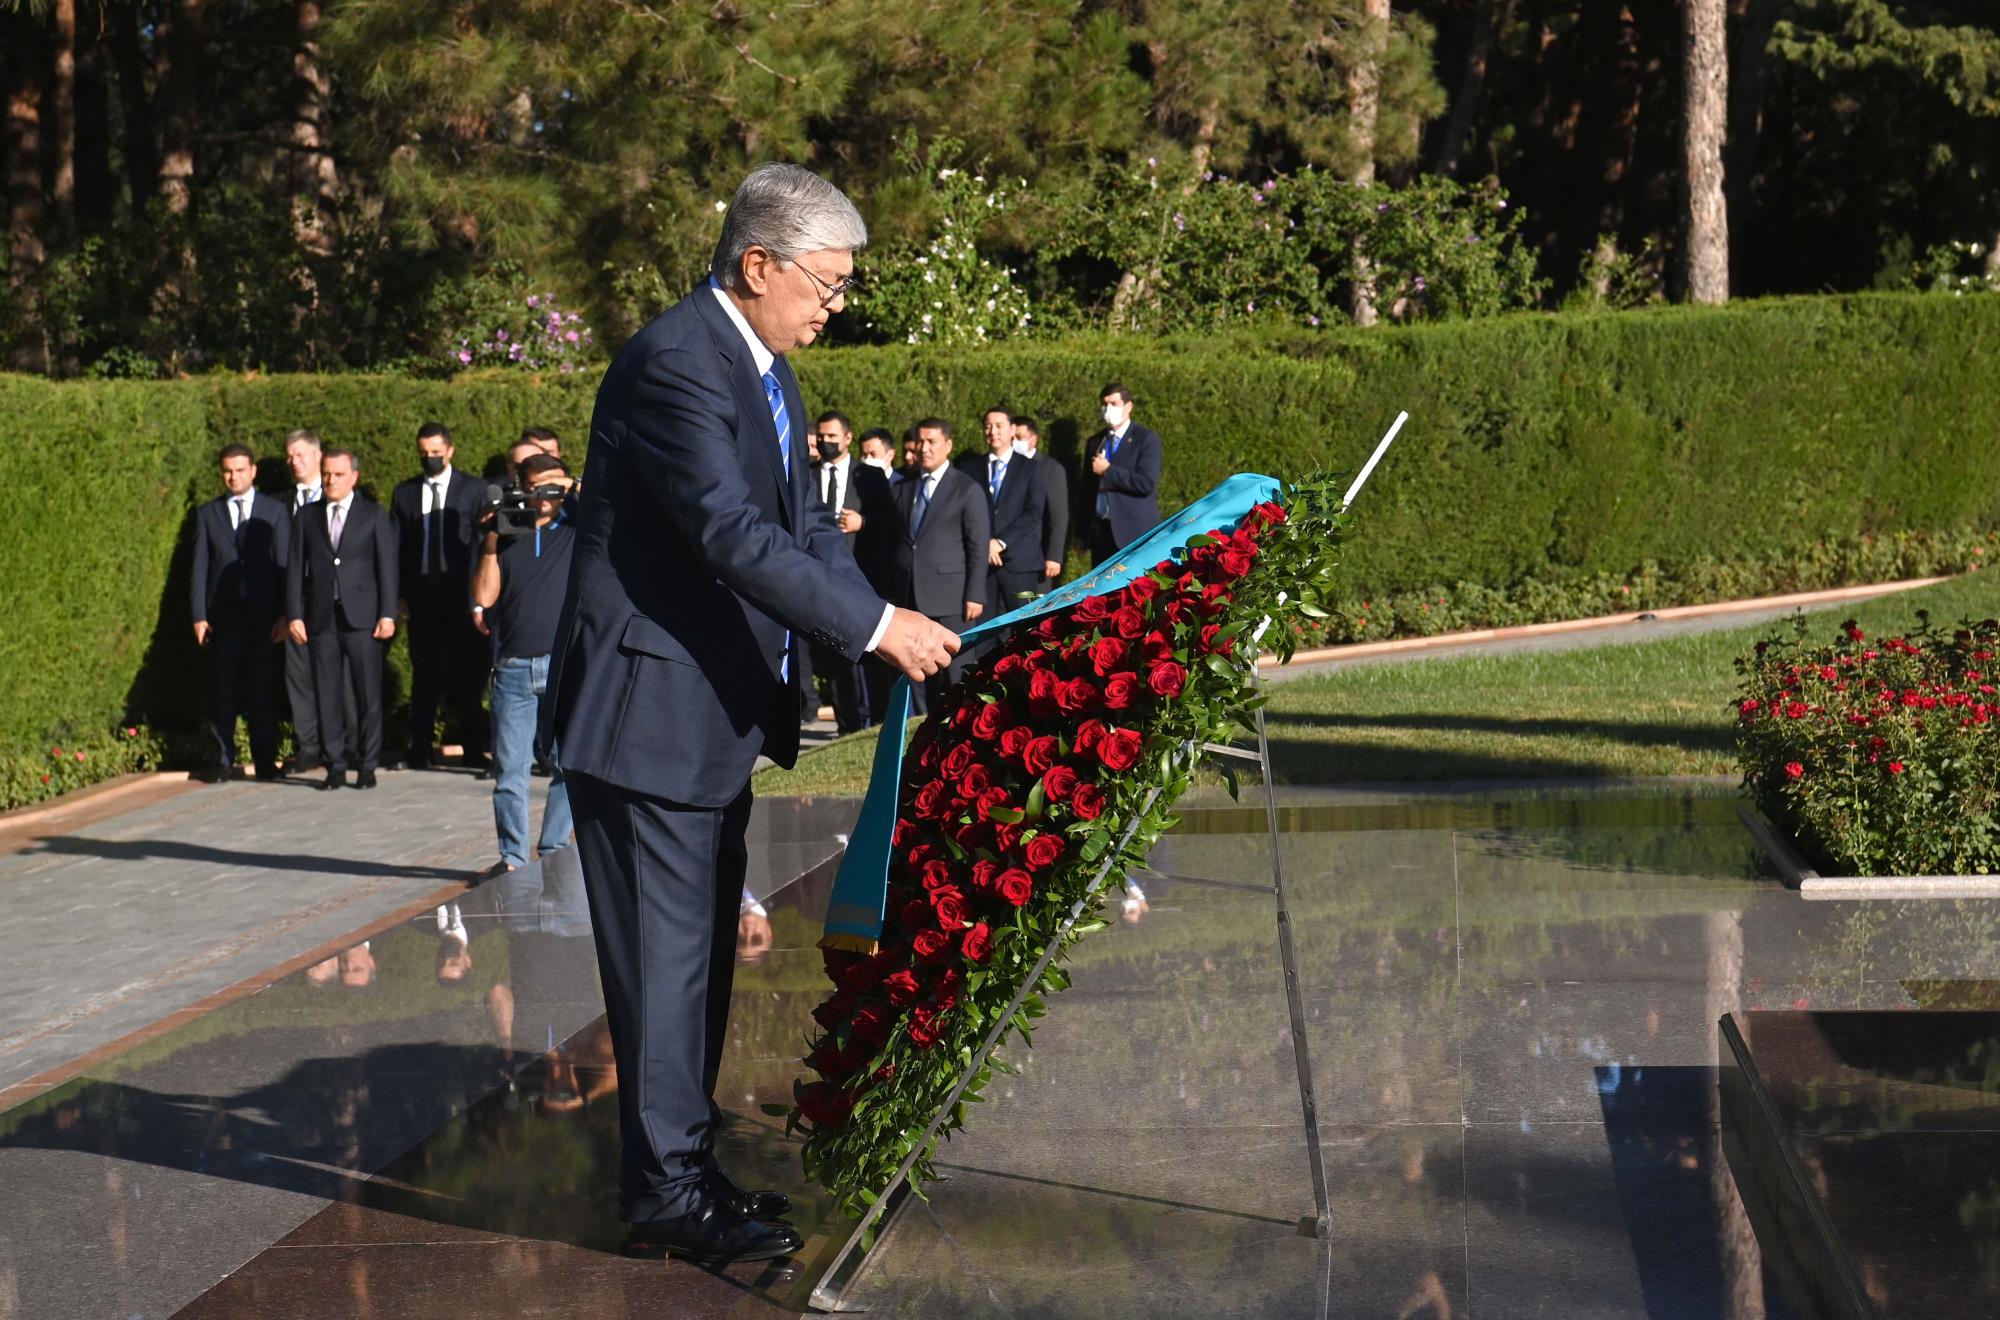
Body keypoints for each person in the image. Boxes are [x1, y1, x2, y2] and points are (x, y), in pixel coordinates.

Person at [544, 162, 958, 1264]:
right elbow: (729, 534)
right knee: (664, 965)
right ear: (757, 263)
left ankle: (682, 1168)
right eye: (823, 283)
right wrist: (876, 633)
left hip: (703, 718)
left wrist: (887, 613)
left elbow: (805, 534)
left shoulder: (768, 371)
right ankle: (666, 1196)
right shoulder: (676, 363)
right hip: (646, 720)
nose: (834, 304)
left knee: (691, 965)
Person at [472, 453, 576, 873]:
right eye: (539, 486)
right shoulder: (507, 533)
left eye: (555, 485)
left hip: (564, 666)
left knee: (569, 767)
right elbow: (484, 597)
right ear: (523, 487)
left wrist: (571, 487)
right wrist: (492, 539)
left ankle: (552, 850)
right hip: (514, 666)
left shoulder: (577, 528)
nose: (547, 494)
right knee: (509, 772)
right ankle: (513, 858)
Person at [286, 448, 398, 790]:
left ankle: (367, 764)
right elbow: (294, 569)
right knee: (326, 692)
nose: (331, 480)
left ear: (354, 477)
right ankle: (334, 764)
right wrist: (294, 613)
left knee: (367, 692)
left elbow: (387, 568)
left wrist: (388, 612)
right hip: (322, 615)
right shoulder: (307, 516)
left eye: (337, 474)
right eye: (327, 474)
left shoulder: (373, 515)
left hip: (362, 615)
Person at [391, 422, 489, 770]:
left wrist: (480, 597)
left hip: (461, 597)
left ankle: (474, 750)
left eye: (435, 453)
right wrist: (398, 596)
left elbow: (482, 546)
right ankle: (420, 749)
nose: (429, 458)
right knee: (424, 676)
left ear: (449, 450)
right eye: (424, 453)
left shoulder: (475, 490)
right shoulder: (404, 494)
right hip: (422, 598)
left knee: (468, 676)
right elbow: (397, 549)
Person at [190, 444, 288, 781]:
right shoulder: (207, 514)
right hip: (224, 617)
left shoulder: (274, 512)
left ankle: (264, 761)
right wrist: (199, 615)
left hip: (264, 618)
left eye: (240, 470)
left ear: (253, 471)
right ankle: (222, 761)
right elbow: (200, 567)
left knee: (263, 691)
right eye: (228, 471)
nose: (233, 476)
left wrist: (285, 614)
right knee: (224, 692)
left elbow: (283, 566)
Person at [891, 417, 989, 712]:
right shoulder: (904, 486)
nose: (924, 448)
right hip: (910, 594)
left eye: (931, 441)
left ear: (948, 445)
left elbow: (977, 545)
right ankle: (918, 723)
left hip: (951, 598)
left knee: (957, 669)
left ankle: (964, 720)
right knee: (915, 668)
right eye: (920, 441)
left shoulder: (966, 489)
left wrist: (975, 593)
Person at [809, 411, 895, 732]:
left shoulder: (870, 477)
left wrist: (864, 523)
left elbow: (891, 524)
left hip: (865, 577)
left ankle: (880, 722)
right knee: (836, 659)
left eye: (833, 437)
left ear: (847, 438)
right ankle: (847, 726)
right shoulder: (805, 475)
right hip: (822, 578)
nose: (826, 442)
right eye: (821, 436)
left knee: (874, 655)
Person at [281, 429, 332, 774]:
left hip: (332, 600)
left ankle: (341, 744)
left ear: (317, 456)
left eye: (300, 454)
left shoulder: (337, 495)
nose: (293, 462)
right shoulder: (278, 503)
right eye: (289, 456)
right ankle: (309, 746)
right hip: (294, 602)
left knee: (335, 675)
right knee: (298, 676)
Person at [961, 406, 1044, 618]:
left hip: (1020, 563)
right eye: (988, 426)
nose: (993, 431)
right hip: (982, 566)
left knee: (1026, 628)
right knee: (983, 635)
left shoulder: (1031, 468)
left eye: (999, 426)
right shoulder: (970, 468)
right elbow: (966, 513)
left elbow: (1033, 513)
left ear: (1012, 429)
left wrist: (999, 542)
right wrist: (985, 544)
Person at [1083, 382, 1163, 566]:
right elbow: (1086, 489)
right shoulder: (1096, 441)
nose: (1108, 409)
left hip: (1134, 532)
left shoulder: (1145, 439)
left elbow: (1145, 483)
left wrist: (1108, 471)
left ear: (1128, 406)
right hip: (1101, 533)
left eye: (1114, 404)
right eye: (1104, 405)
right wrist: (1082, 533)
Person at [1012, 414, 1069, 591]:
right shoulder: (1006, 467)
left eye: (1019, 438)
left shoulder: (1050, 469)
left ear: (1033, 439)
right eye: (1011, 438)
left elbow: (1058, 516)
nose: (1014, 442)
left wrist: (1054, 555)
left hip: (1038, 555)